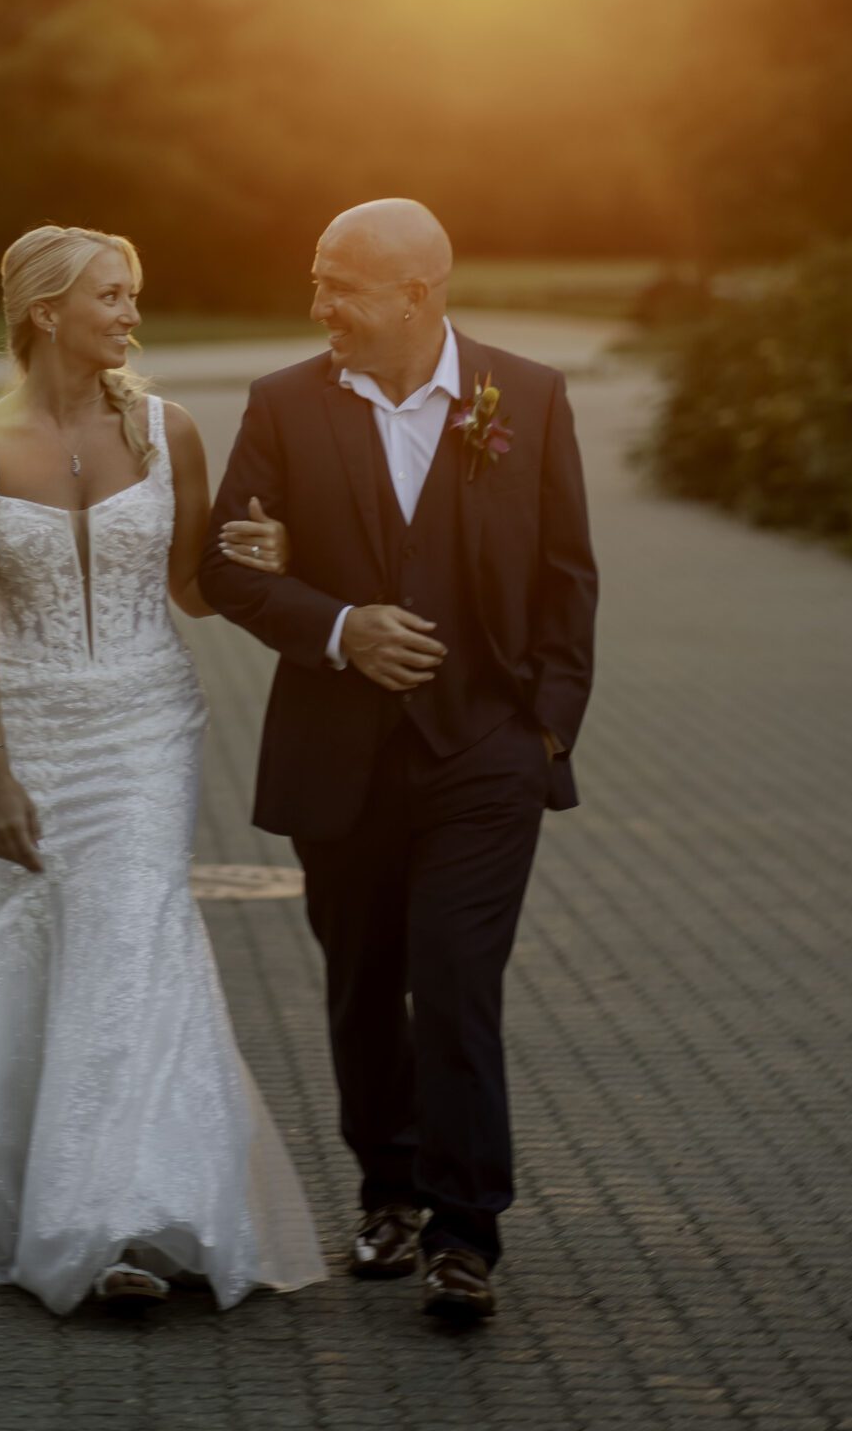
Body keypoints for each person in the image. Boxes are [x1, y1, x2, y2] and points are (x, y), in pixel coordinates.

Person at [0, 224, 323, 1315]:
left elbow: (190, 587)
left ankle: (115, 1224)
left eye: (133, 295)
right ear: (46, 312)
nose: (134, 314)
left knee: (132, 942)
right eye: (112, 295)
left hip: (146, 727)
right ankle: (25, 1198)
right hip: (28, 730)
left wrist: (257, 561)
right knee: (35, 946)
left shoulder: (169, 430)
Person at [201, 199, 598, 1323]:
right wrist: (336, 626)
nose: (317, 304)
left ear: (416, 295)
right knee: (364, 983)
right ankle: (387, 1195)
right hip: (344, 755)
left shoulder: (525, 396)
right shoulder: (283, 404)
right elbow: (228, 568)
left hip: (485, 751)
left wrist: (547, 729)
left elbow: (569, 576)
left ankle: (464, 1229)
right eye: (316, 282)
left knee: (457, 981)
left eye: (340, 284)